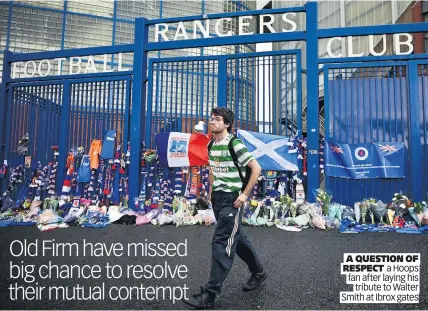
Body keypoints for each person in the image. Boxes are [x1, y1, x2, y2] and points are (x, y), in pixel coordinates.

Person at [182, 107, 266, 309]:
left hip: (233, 199)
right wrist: (211, 191)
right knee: (238, 239)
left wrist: (245, 195)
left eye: (217, 120)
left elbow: (256, 168)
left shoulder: (234, 144)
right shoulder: (211, 144)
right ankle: (259, 273)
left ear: (227, 124)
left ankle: (209, 296)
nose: (212, 122)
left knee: (221, 243)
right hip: (219, 198)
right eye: (211, 119)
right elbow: (213, 168)